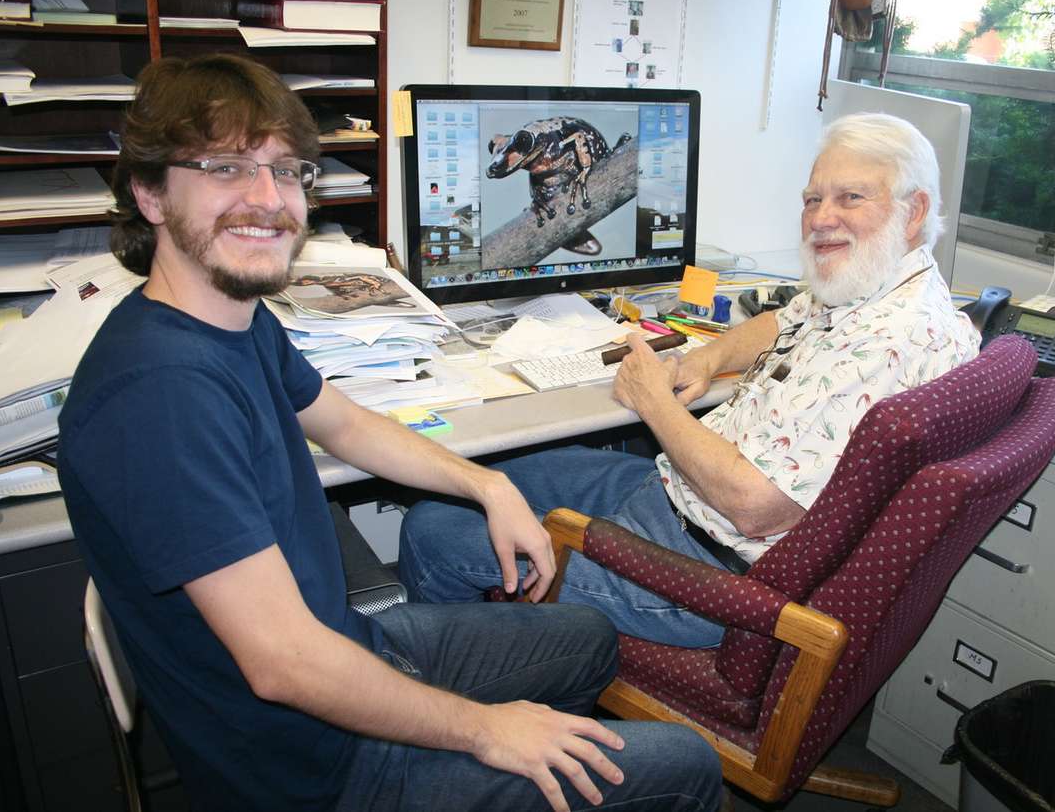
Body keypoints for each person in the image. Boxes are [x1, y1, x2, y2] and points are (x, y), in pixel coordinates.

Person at [57, 54, 722, 812]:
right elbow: (284, 665)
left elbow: (345, 423)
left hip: (349, 648)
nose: (268, 199)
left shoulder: (229, 318)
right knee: (686, 765)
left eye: (287, 171)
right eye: (225, 168)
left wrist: (488, 484)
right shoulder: (159, 394)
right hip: (317, 770)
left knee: (586, 639)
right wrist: (485, 731)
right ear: (149, 193)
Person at [400, 113, 981, 649]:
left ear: (914, 211)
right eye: (813, 199)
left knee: (434, 527)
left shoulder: (887, 341)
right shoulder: (883, 292)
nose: (822, 218)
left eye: (851, 197)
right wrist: (705, 360)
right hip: (680, 498)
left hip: (705, 572)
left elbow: (755, 508)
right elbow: (786, 318)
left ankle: (462, 692)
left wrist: (654, 402)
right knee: (481, 480)